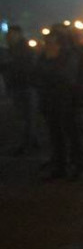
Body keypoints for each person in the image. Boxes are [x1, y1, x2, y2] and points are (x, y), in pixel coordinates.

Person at [34, 24, 83, 181]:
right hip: (51, 101)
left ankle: (79, 166)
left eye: (52, 41)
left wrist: (50, 63)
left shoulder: (72, 54)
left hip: (69, 101)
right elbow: (35, 74)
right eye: (47, 42)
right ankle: (60, 166)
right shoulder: (45, 55)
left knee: (73, 135)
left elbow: (67, 77)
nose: (49, 45)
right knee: (56, 136)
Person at [2, 25, 39, 155]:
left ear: (19, 35)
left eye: (12, 35)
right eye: (9, 35)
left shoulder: (23, 50)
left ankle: (26, 144)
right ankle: (32, 140)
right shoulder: (13, 49)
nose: (9, 37)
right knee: (26, 116)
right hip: (19, 85)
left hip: (26, 86)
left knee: (26, 117)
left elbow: (26, 67)